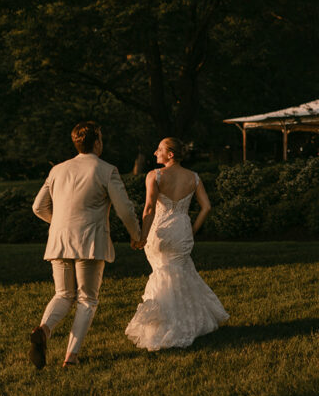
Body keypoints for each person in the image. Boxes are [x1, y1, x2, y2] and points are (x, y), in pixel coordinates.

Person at [29, 121, 142, 369]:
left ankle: (44, 330)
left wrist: (60, 223)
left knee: (62, 294)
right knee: (87, 299)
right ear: (97, 142)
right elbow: (124, 209)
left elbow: (38, 207)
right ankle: (71, 357)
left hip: (59, 240)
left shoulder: (57, 170)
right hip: (90, 241)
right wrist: (136, 235)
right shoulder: (106, 170)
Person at [125, 137, 228, 351]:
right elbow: (206, 207)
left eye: (159, 149)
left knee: (162, 273)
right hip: (181, 230)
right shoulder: (194, 177)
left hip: (160, 232)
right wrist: (192, 230)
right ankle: (189, 321)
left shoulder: (155, 176)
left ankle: (164, 326)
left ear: (170, 154)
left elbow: (149, 209)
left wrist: (142, 237)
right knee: (179, 273)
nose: (155, 153)